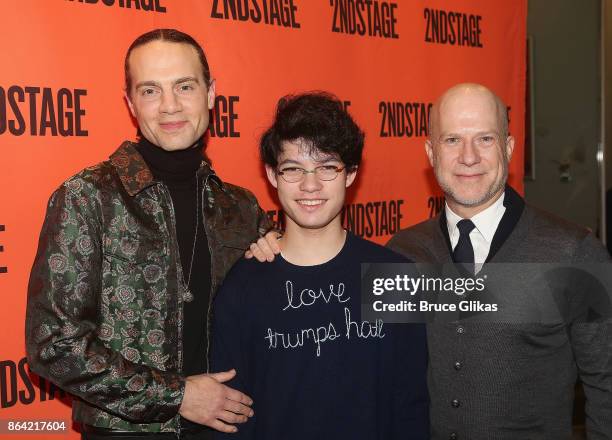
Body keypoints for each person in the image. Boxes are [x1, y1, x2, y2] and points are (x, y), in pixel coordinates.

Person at [25, 28, 280, 440]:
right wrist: (178, 396)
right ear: (130, 103)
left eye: (184, 86)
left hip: (230, 429)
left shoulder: (240, 207)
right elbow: (52, 343)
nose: (170, 106)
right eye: (150, 91)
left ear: (211, 93)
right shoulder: (88, 198)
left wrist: (280, 251)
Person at [387, 83, 612, 439]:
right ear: (431, 153)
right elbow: (375, 370)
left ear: (508, 147)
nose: (469, 156)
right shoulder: (402, 251)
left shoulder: (576, 252)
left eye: (485, 139)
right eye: (451, 140)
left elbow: (607, 385)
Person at [210, 92, 429, 440]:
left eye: (327, 167)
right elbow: (232, 420)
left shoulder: (393, 277)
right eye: (293, 168)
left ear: (351, 173)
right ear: (272, 174)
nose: (310, 185)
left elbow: (411, 406)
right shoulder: (243, 287)